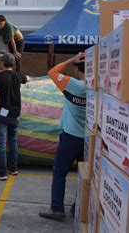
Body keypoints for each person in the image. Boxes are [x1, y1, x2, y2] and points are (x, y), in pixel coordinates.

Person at [39, 52, 86, 221]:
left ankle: (57, 208)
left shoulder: (73, 85)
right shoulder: (95, 86)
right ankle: (79, 206)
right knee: (84, 176)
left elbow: (52, 72)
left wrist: (70, 59)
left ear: (76, 68)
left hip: (70, 136)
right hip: (88, 139)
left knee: (59, 172)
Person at [0, 53, 28, 180]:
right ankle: (13, 169)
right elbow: (27, 79)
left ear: (2, 63)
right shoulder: (18, 75)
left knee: (2, 144)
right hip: (15, 115)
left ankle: (2, 172)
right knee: (13, 142)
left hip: (2, 116)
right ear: (13, 64)